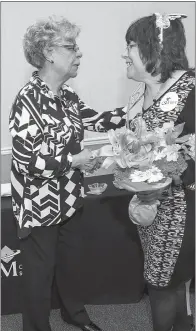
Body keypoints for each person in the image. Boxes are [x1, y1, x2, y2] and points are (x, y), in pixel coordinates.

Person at [84, 13, 195, 331]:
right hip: (147, 209)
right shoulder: (138, 100)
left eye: (130, 45)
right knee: (169, 285)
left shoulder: (190, 90)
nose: (124, 53)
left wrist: (166, 165)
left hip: (182, 211)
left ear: (154, 50)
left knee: (161, 286)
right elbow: (122, 135)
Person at [9, 15, 104, 331]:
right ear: (48, 52)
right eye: (71, 47)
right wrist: (73, 160)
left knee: (70, 266)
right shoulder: (27, 100)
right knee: (39, 277)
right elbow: (27, 161)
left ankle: (73, 314)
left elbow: (94, 119)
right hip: (38, 207)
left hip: (69, 200)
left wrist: (134, 112)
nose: (79, 54)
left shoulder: (68, 94)